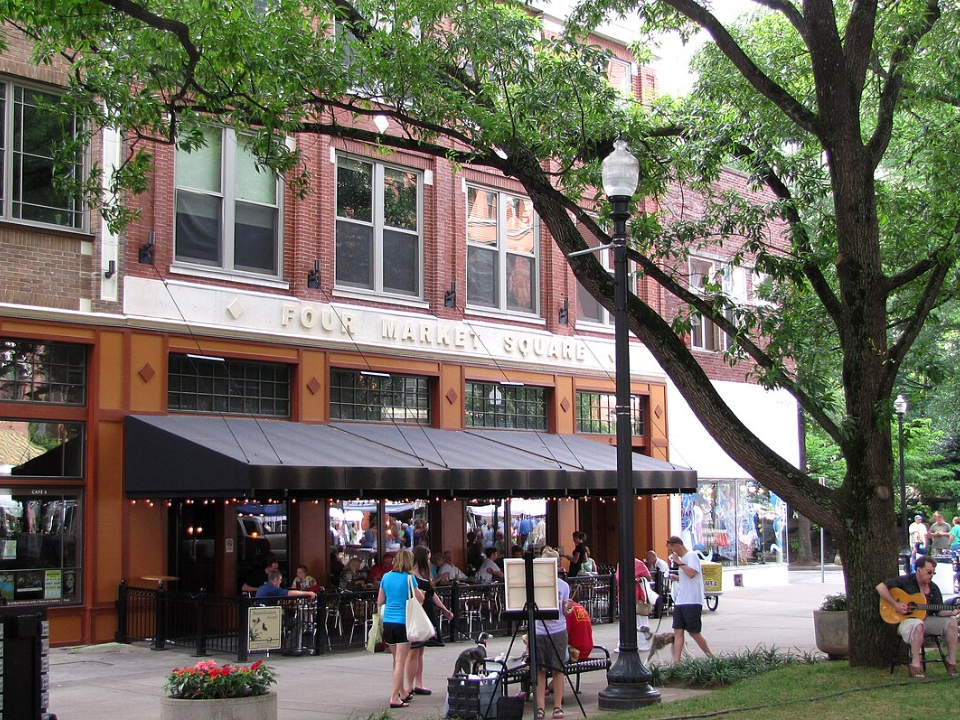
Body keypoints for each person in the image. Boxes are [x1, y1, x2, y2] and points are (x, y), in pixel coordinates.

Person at [876, 555, 960, 678]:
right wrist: (895, 604)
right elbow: (880, 587)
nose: (931, 575)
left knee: (952, 623)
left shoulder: (933, 588)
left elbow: (939, 611)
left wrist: (952, 612)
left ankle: (951, 661)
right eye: (929, 572)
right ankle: (915, 664)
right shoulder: (906, 581)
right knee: (918, 625)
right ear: (919, 570)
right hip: (906, 621)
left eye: (933, 572)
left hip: (927, 620)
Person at [376, 548, 425, 708]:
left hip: (388, 622)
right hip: (403, 622)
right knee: (400, 661)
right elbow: (420, 598)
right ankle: (394, 697)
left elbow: (380, 601)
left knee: (396, 659)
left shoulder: (386, 577)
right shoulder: (410, 578)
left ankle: (402, 691)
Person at [405, 546, 455, 696]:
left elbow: (432, 594)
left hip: (425, 611)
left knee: (420, 651)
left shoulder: (422, 575)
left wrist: (444, 609)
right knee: (414, 651)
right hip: (416, 612)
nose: (429, 561)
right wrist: (444, 609)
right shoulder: (411, 576)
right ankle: (409, 685)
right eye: (427, 558)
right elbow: (428, 594)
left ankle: (418, 683)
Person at [535, 547, 570, 719]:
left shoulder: (563, 586)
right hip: (539, 631)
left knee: (557, 669)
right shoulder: (536, 584)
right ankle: (540, 707)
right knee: (540, 670)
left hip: (558, 630)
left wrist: (568, 608)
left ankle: (557, 707)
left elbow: (565, 610)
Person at [666, 535, 713, 663]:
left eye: (672, 549)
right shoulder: (683, 559)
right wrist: (677, 578)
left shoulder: (691, 556)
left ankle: (711, 656)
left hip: (692, 600)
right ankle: (676, 662)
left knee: (694, 632)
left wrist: (679, 562)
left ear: (677, 546)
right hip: (681, 600)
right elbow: (687, 576)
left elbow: (692, 573)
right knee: (678, 632)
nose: (672, 553)